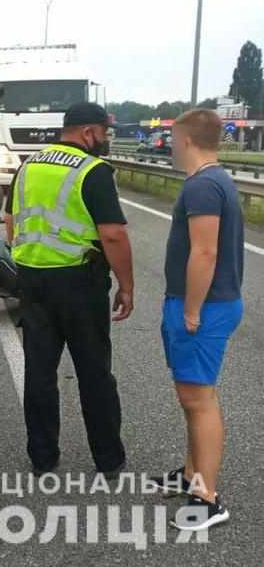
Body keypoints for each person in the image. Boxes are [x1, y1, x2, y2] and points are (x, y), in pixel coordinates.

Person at [4, 102, 134, 477]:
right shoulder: (92, 171)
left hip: (32, 280)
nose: (105, 141)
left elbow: (11, 222)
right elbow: (112, 234)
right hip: (80, 284)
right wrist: (126, 286)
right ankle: (109, 460)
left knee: (40, 372)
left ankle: (42, 458)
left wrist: (29, 259)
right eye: (104, 134)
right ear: (88, 133)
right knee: (94, 372)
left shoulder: (28, 166)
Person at [149, 109, 243, 531]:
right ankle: (190, 476)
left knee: (199, 401)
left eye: (173, 138)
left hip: (204, 307)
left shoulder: (204, 185)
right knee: (190, 396)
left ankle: (207, 498)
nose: (170, 145)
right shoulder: (212, 179)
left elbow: (205, 253)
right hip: (202, 304)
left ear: (186, 139)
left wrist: (190, 309)